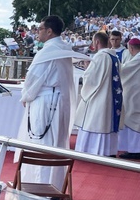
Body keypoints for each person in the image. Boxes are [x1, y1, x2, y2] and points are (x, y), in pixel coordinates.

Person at [15, 15, 89, 185]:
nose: (37, 32)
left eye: (40, 29)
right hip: (59, 102)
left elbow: (33, 79)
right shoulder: (63, 48)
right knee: (57, 143)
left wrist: (26, 97)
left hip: (45, 104)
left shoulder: (47, 52)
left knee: (42, 143)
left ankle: (40, 185)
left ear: (49, 31)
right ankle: (56, 184)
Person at [74, 31, 124, 156]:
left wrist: (86, 69)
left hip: (99, 98)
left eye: (93, 41)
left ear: (96, 42)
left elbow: (92, 79)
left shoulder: (101, 56)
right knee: (106, 122)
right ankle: (108, 150)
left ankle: (93, 150)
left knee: (96, 122)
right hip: (111, 97)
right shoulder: (114, 56)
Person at [119, 37, 140, 158]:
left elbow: (123, 70)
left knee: (133, 119)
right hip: (136, 92)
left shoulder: (137, 59)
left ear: (131, 48)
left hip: (135, 93)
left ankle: (135, 150)